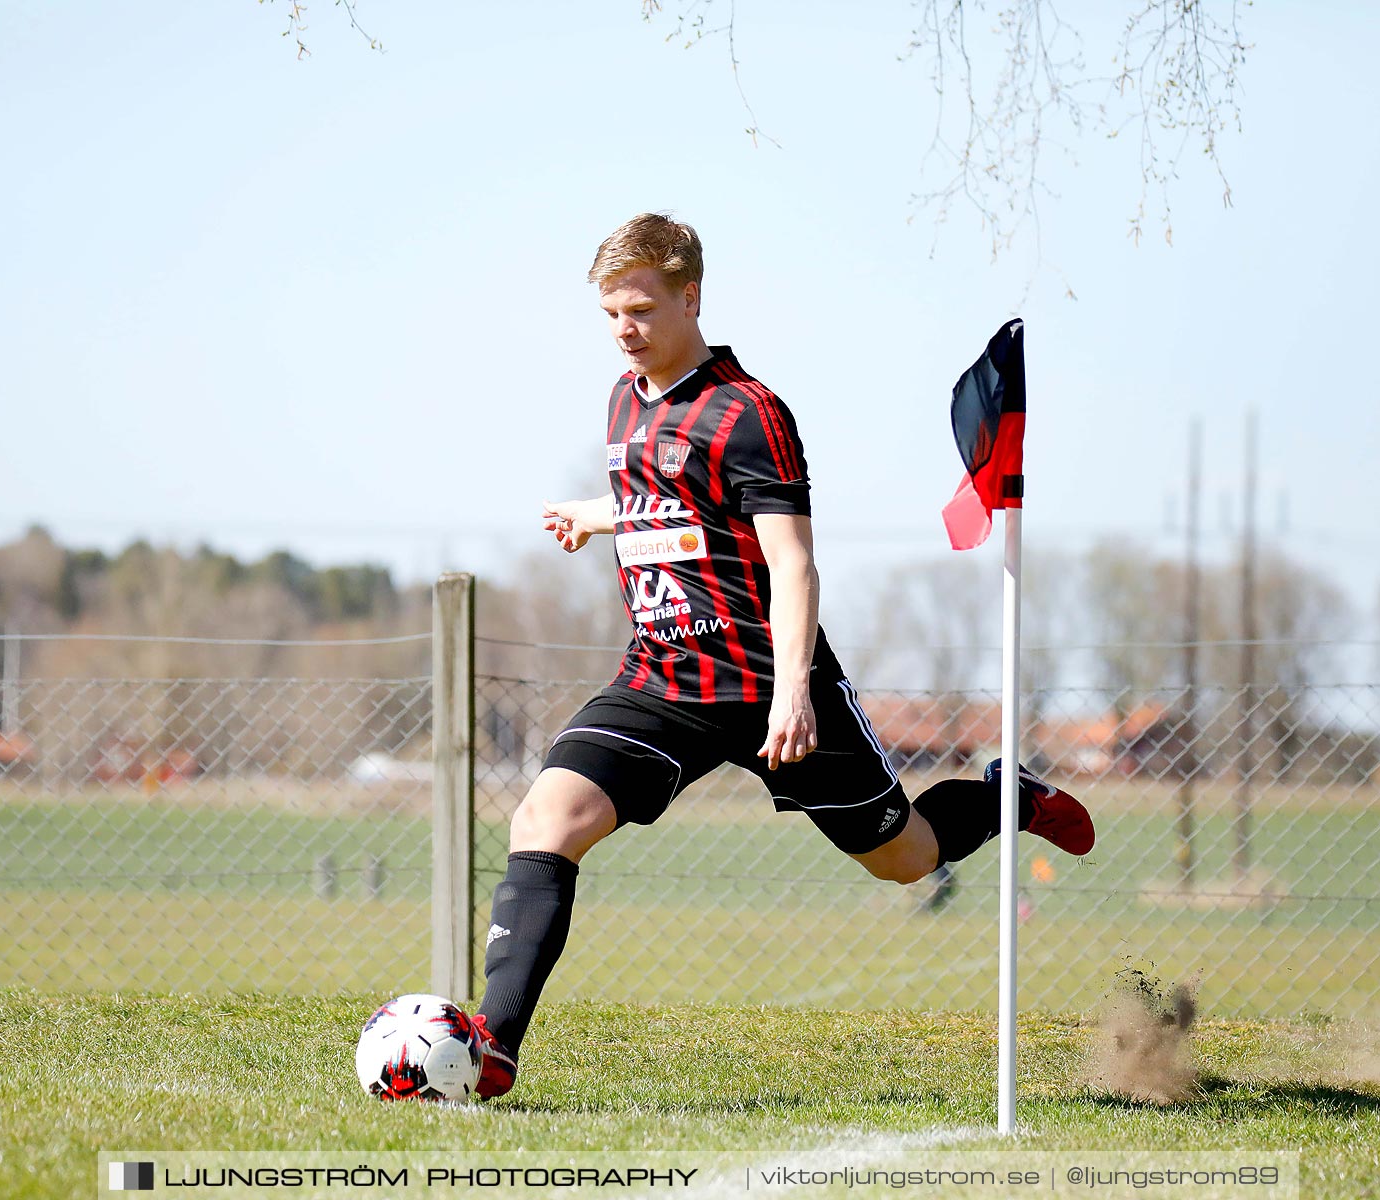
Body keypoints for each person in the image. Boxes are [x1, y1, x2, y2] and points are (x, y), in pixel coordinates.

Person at [467, 213, 1094, 1099]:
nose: (625, 330)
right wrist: (597, 514)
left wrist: (794, 692)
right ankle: (491, 1048)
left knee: (905, 859)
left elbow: (793, 564)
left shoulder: (751, 413)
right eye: (611, 313)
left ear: (691, 296)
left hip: (770, 683)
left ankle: (1004, 795)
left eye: (641, 309)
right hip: (662, 679)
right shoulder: (622, 398)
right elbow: (675, 502)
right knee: (544, 823)